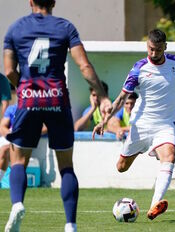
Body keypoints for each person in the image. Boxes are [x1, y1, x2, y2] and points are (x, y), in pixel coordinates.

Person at [3, 1, 111, 231]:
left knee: (18, 160)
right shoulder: (65, 27)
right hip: (57, 99)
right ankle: (70, 224)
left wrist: (24, 86)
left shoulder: (15, 29)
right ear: (53, 2)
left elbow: (10, 71)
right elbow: (84, 65)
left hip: (28, 99)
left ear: (30, 1)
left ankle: (17, 204)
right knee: (66, 166)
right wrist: (102, 97)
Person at [93, 29, 175, 220]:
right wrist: (104, 121)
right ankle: (148, 150)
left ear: (165, 47)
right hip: (141, 125)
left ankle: (154, 205)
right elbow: (121, 98)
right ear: (147, 46)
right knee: (121, 167)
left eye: (158, 50)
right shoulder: (138, 69)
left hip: (165, 125)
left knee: (170, 155)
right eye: (151, 49)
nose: (154, 54)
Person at [0, 104, 47, 184]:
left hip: (25, 142)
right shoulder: (12, 108)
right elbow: (2, 127)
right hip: (10, 138)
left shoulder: (38, 108)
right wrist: (11, 135)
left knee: (4, 150)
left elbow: (46, 127)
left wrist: (28, 134)